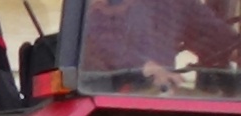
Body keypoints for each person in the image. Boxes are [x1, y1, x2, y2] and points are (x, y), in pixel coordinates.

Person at [82, 0, 241, 91]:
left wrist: (234, 49)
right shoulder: (110, 5)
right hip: (110, 88)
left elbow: (208, 31)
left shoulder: (177, 3)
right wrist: (144, 66)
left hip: (159, 89)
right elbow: (97, 37)